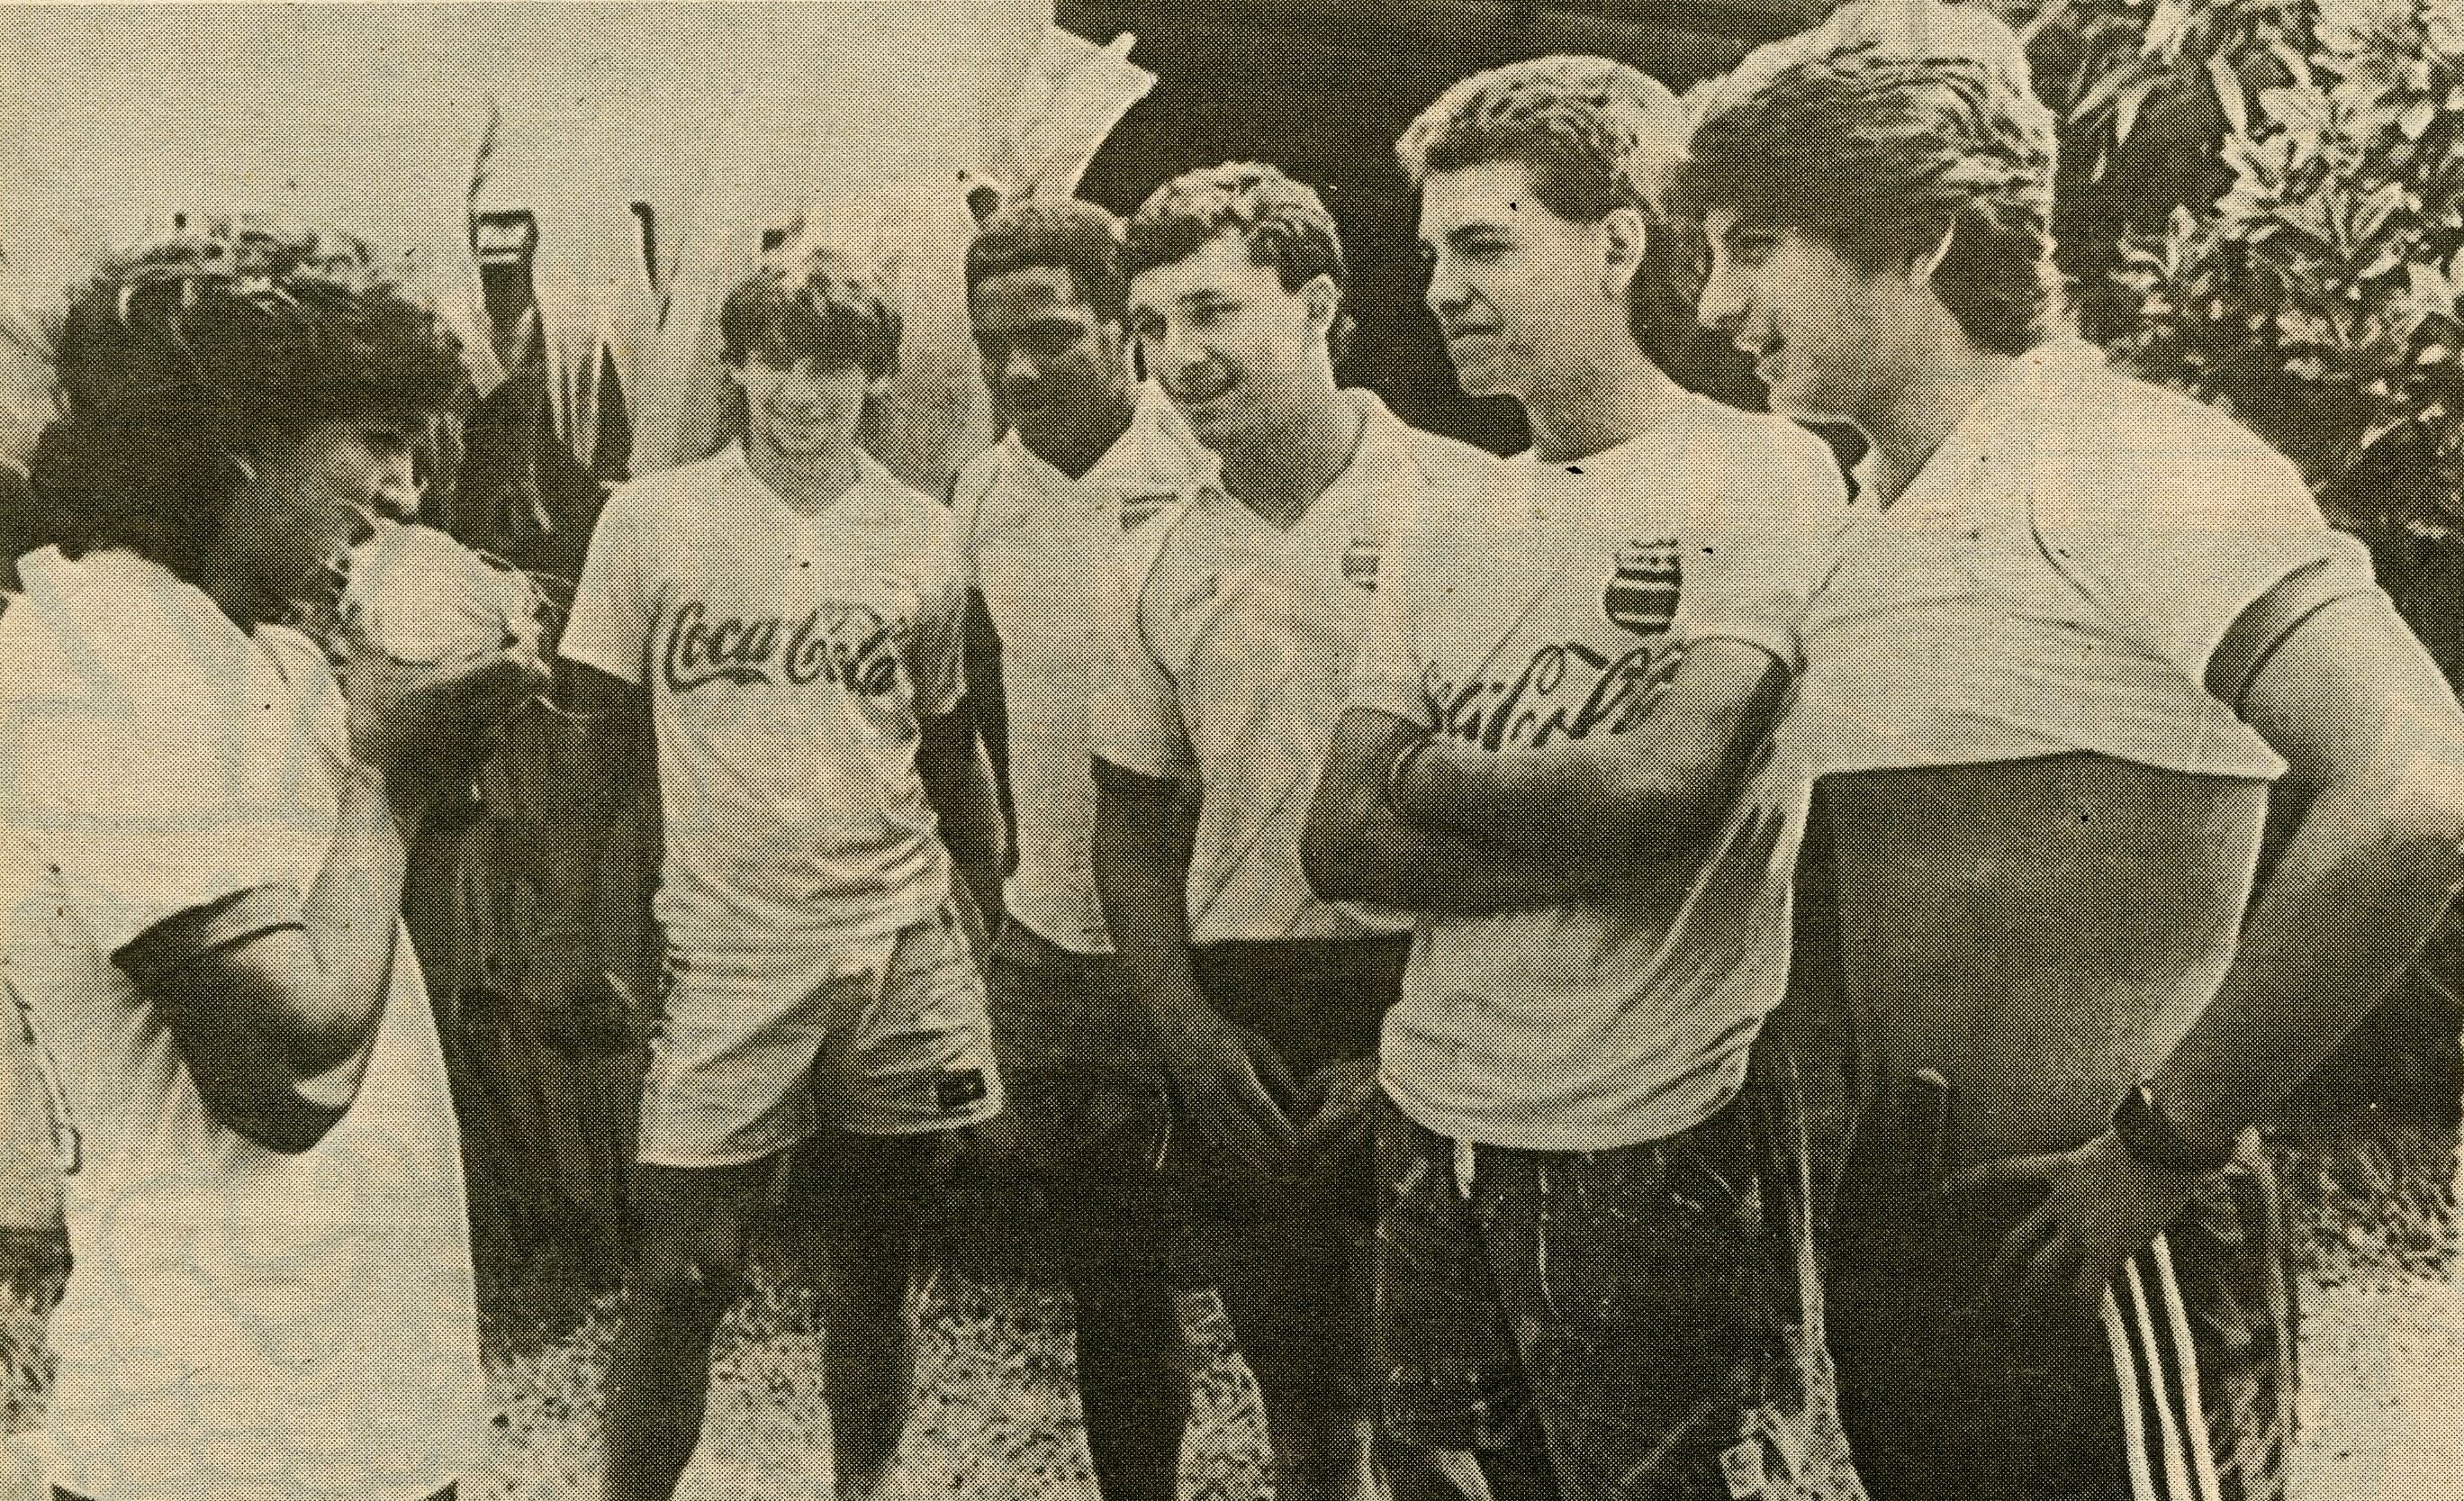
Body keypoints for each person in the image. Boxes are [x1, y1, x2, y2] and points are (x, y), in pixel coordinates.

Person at [1674, 5, 2464, 1496]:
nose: (1714, 306)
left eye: (1752, 245)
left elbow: (2420, 790)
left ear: (1915, 236)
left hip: (2104, 1224)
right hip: (1921, 1236)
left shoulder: (2119, 457)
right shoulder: (1867, 511)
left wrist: (2160, 1155)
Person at [1301, 57, 1856, 1501]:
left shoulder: (1763, 473)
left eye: (1485, 245)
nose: (1439, 288)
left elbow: (1657, 795)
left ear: (1617, 244)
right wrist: (1579, 832)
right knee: (1439, 1483)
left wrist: (1437, 769)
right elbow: (1337, 835)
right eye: (1431, 254)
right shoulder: (1446, 507)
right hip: (1434, 1111)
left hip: (1653, 1131)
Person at [0, 223, 537, 1501]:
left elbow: (383, 988)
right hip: (219, 1427)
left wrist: (443, 747)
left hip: (350, 1388)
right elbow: (283, 1075)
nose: (408, 492)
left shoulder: (254, 649)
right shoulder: (99, 656)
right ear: (241, 436)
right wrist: (391, 775)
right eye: (379, 440)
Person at [561, 241, 1007, 1501]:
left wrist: (997, 905)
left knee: (876, 1260)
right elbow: (597, 745)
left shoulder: (922, 534)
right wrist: (571, 937)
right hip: (725, 949)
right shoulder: (652, 519)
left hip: (897, 935)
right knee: (683, 1272)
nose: (801, 392)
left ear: (876, 378)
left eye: (833, 366)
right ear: (736, 368)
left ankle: (861, 1487)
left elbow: (948, 741)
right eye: (775, 361)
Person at [1089, 162, 1492, 1501]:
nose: (1176, 359)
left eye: (1210, 313)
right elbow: (1132, 821)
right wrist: (1185, 1029)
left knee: (1445, 1423)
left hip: (1446, 988)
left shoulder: (1471, 504)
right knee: (1305, 1420)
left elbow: (1524, 808)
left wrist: (1426, 1039)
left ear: (1317, 303)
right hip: (1250, 1008)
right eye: (1149, 328)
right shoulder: (1151, 558)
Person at [952, 195, 1217, 1501]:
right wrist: (999, 889)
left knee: (1310, 1284)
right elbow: (979, 712)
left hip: (1221, 937)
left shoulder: (1208, 466)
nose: (1017, 371)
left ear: (1127, 331)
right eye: (992, 343)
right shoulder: (982, 492)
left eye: (1052, 337)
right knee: (1111, 1281)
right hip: (1058, 935)